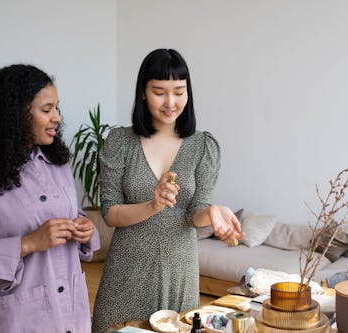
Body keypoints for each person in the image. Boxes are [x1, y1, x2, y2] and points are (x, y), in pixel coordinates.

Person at [0, 64, 100, 333]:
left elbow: (67, 216)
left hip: (69, 318)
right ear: (13, 114)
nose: (57, 117)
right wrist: (26, 244)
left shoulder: (56, 162)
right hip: (10, 322)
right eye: (46, 110)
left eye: (57, 108)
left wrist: (84, 229)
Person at [92, 48, 245, 332]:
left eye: (179, 91)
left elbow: (194, 213)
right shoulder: (120, 142)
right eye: (159, 92)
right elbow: (110, 213)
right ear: (142, 92)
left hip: (179, 269)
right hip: (127, 270)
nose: (170, 102)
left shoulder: (203, 146)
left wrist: (211, 211)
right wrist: (152, 205)